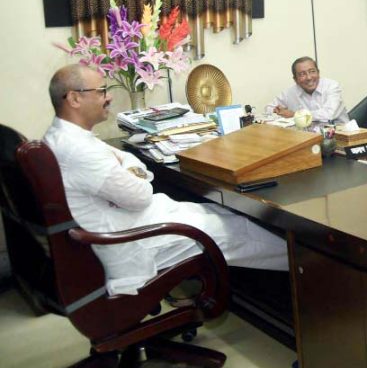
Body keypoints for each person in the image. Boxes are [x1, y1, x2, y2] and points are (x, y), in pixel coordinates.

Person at [43, 64, 288, 295]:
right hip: (131, 241)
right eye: (102, 91)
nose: (108, 97)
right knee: (236, 229)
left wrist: (128, 168)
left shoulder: (61, 136)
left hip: (132, 223)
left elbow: (129, 162)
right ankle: (309, 273)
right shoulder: (79, 150)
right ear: (75, 98)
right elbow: (140, 196)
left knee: (223, 213)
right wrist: (131, 169)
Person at [270, 56, 349, 124]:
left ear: (318, 73)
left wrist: (295, 115)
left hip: (340, 136)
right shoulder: (290, 92)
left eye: (312, 72)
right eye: (302, 74)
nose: (309, 77)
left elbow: (329, 114)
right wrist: (278, 111)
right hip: (308, 137)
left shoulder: (331, 86)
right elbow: (269, 108)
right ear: (295, 79)